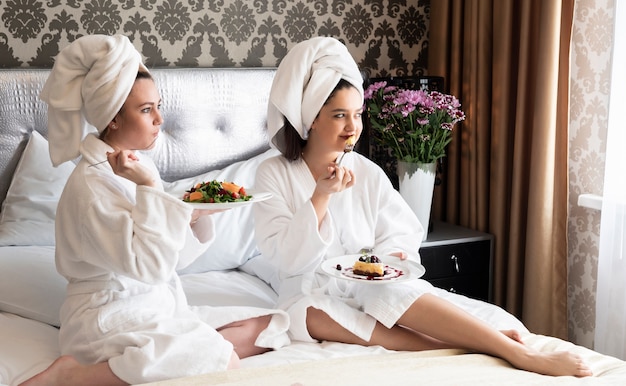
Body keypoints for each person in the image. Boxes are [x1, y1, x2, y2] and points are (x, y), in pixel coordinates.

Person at [252, 36, 592, 377]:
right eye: (340, 115)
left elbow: (400, 230)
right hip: (310, 289)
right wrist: (320, 197)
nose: (353, 127)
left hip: (369, 284)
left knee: (390, 292)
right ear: (311, 118)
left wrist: (393, 257)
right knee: (305, 313)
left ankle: (516, 353)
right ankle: (466, 345)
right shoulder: (273, 174)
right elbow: (285, 257)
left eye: (357, 114)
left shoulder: (365, 171)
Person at [19, 34, 289, 386]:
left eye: (158, 106)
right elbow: (150, 266)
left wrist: (193, 217)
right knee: (221, 360)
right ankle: (72, 375)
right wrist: (150, 188)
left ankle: (187, 352)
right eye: (146, 110)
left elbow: (170, 261)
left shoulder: (132, 166)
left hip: (154, 301)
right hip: (109, 313)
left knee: (270, 327)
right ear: (113, 118)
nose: (160, 119)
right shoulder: (92, 186)